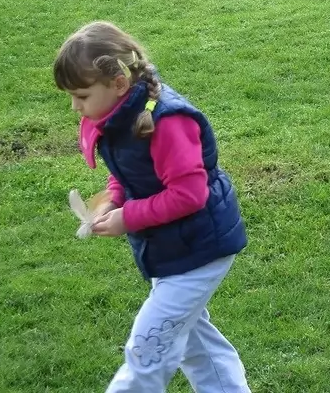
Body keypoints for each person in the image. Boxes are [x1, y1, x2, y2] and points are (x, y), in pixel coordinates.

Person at [54, 20, 251, 393]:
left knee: (146, 350)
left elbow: (190, 195)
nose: (76, 107)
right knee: (196, 344)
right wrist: (112, 199)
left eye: (81, 95)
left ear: (117, 83)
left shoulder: (168, 121)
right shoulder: (118, 114)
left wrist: (128, 217)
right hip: (172, 247)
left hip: (199, 247)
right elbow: (128, 173)